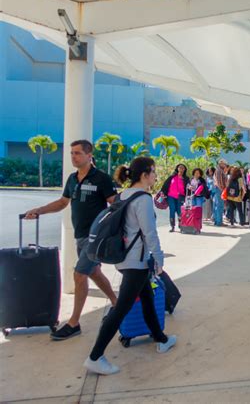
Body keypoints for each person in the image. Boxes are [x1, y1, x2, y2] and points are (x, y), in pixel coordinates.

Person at [83, 157, 176, 375]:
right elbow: (149, 232)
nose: (155, 176)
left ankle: (161, 338)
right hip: (136, 261)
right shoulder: (143, 199)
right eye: (153, 172)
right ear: (144, 174)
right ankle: (95, 356)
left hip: (125, 259)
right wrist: (159, 259)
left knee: (147, 297)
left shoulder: (123, 195)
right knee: (120, 309)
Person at [24, 140, 117, 341]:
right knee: (93, 272)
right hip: (80, 235)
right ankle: (117, 303)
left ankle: (74, 323)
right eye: (72, 153)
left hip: (95, 237)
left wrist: (109, 230)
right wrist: (39, 211)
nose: (73, 157)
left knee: (79, 274)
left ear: (89, 155)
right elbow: (62, 202)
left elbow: (115, 204)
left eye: (77, 153)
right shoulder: (72, 179)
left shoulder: (101, 178)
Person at [161, 164, 189, 232]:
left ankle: (181, 224)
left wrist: (189, 188)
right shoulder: (172, 177)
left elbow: (188, 186)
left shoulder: (186, 178)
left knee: (180, 211)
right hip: (171, 196)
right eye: (180, 167)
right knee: (172, 210)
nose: (181, 169)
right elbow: (165, 185)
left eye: (183, 168)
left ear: (184, 169)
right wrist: (163, 192)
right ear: (177, 168)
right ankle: (172, 226)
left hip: (181, 197)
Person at [213, 159, 228, 226]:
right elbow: (219, 182)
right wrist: (222, 190)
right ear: (221, 163)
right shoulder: (219, 171)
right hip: (220, 189)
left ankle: (217, 221)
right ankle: (219, 222)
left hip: (218, 189)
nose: (225, 165)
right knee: (220, 206)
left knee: (217, 205)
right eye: (224, 164)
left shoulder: (219, 170)